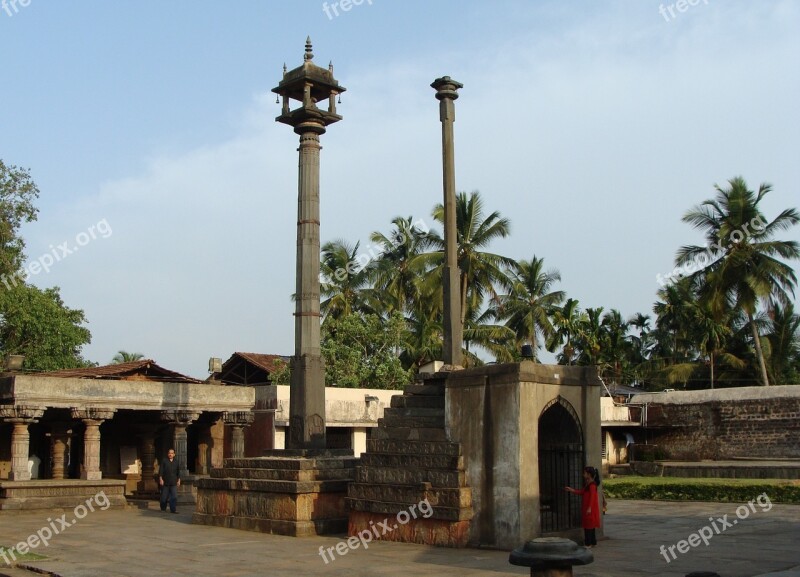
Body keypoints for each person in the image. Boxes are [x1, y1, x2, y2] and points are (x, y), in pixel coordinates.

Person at [564, 466, 601, 548]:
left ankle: (588, 543)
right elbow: (582, 492)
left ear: (589, 474)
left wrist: (589, 507)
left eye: (584, 473)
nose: (583, 474)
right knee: (589, 526)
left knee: (589, 526)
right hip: (587, 507)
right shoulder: (588, 484)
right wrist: (571, 490)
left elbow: (592, 497)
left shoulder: (592, 485)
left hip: (590, 508)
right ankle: (593, 542)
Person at [159, 448, 181, 514]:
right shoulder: (164, 461)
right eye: (169, 453)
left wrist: (179, 480)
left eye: (171, 453)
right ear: (167, 454)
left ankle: (173, 510)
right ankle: (163, 508)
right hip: (165, 481)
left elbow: (178, 472)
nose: (170, 454)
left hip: (173, 482)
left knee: (174, 497)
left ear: (174, 454)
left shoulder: (176, 462)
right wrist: (161, 479)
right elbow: (161, 471)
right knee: (164, 497)